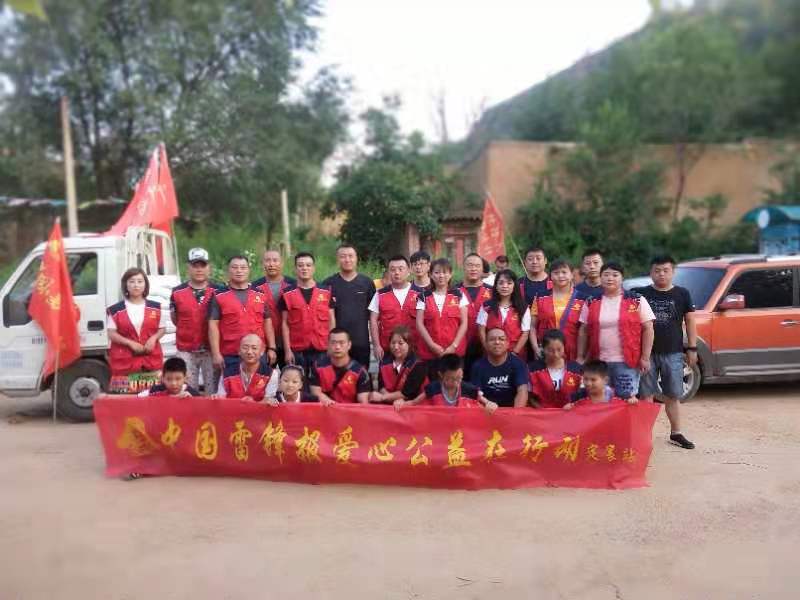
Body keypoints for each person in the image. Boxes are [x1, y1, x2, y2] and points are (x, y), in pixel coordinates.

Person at [634, 256, 697, 449]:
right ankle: (643, 436)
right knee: (645, 395)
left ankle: (676, 433)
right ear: (650, 272)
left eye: (665, 270)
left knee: (673, 394)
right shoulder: (640, 293)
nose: (661, 274)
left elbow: (690, 321)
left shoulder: (682, 294)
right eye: (657, 270)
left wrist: (692, 348)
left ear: (673, 272)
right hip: (646, 354)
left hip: (673, 352)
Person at [577, 262, 655, 400]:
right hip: (598, 362)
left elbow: (648, 328)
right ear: (600, 277)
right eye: (606, 275)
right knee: (600, 400)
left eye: (615, 275)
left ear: (622, 278)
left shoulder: (636, 300)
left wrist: (645, 357)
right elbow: (583, 330)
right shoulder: (591, 301)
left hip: (627, 362)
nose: (610, 278)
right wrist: (580, 356)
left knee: (626, 399)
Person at [208, 256, 277, 371]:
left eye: (243, 267)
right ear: (228, 270)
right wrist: (216, 353)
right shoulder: (219, 296)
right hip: (231, 354)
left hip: (258, 353)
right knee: (232, 382)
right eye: (235, 267)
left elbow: (267, 322)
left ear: (248, 270)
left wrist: (272, 348)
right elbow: (213, 325)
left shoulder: (260, 294)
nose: (239, 271)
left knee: (260, 382)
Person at [107, 268, 169, 393]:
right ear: (125, 285)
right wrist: (129, 343)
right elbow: (111, 333)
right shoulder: (115, 310)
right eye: (132, 281)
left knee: (152, 395)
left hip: (150, 359)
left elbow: (162, 329)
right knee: (126, 398)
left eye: (140, 281)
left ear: (145, 285)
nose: (136, 285)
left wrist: (153, 338)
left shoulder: (155, 307)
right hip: (124, 361)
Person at [170, 248, 222, 395]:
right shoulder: (177, 292)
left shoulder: (219, 291)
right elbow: (175, 318)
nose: (199, 269)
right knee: (187, 391)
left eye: (202, 265)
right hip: (186, 349)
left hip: (211, 349)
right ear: (188, 267)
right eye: (195, 265)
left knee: (213, 392)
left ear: (209, 267)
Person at [278, 252, 336, 375]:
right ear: (295, 269)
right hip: (297, 349)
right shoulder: (287, 294)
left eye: (308, 265)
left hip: (322, 348)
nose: (304, 268)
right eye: (300, 265)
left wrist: (332, 345)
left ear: (313, 268)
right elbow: (284, 324)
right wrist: (287, 350)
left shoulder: (326, 291)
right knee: (299, 382)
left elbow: (331, 320)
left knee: (321, 382)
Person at [322, 244, 376, 368]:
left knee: (361, 376)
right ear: (337, 259)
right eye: (343, 256)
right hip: (337, 344)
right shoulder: (328, 284)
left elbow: (373, 315)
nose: (347, 260)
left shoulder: (367, 283)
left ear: (357, 258)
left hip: (361, 342)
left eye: (351, 256)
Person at [415, 258, 469, 373]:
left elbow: (464, 323)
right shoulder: (423, 297)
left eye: (445, 272)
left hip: (454, 351)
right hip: (430, 352)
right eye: (437, 272)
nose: (441, 276)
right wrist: (431, 345)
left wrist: (453, 346)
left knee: (454, 380)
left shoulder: (459, 295)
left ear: (450, 274)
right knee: (433, 382)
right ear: (430, 274)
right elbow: (419, 323)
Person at [530, 260, 586, 361]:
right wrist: (535, 348)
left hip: (572, 353)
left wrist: (580, 356)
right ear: (550, 276)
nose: (560, 276)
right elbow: (532, 326)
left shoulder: (582, 299)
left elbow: (585, 330)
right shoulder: (540, 297)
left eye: (564, 272)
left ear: (571, 275)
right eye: (556, 273)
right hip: (547, 352)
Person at [369, 255, 421, 361]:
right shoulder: (380, 294)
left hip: (415, 349)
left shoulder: (420, 294)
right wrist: (376, 345)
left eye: (401, 269)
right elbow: (373, 320)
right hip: (388, 349)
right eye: (393, 269)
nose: (397, 272)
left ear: (409, 271)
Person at [251, 249, 296, 367]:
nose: (271, 264)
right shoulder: (255, 287)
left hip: (291, 342)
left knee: (291, 375)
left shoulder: (293, 285)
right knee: (264, 376)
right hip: (264, 342)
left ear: (282, 263)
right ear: (262, 263)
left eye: (275, 260)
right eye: (268, 260)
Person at [308, 328, 371, 405]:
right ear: (328, 344)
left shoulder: (360, 371)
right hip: (326, 408)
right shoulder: (318, 366)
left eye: (342, 343)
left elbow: (363, 402)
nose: (337, 347)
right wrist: (331, 404)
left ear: (349, 345)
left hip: (349, 411)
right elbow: (315, 393)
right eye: (333, 343)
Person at [477, 269, 531, 357]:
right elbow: (481, 330)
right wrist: (488, 349)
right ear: (496, 286)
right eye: (501, 283)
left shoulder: (523, 308)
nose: (505, 286)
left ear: (514, 286)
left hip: (515, 354)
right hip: (491, 354)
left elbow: (525, 333)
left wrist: (514, 353)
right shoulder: (486, 306)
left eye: (509, 283)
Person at [470, 327, 529, 408]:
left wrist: (515, 413)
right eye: (492, 339)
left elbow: (522, 391)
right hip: (487, 410)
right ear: (485, 344)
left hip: (511, 410)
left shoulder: (518, 364)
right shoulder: (478, 366)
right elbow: (476, 394)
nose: (497, 342)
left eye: (501, 339)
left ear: (508, 344)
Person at [371, 325, 428, 408]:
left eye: (400, 343)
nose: (396, 347)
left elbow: (407, 394)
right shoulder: (384, 362)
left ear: (409, 344)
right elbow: (381, 387)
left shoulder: (418, 365)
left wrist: (383, 397)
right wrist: (388, 399)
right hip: (389, 405)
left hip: (412, 406)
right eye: (393, 343)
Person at [421, 354, 497, 413]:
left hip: (462, 426)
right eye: (451, 379)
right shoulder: (432, 388)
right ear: (441, 375)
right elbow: (415, 404)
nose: (455, 382)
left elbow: (487, 403)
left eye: (459, 378)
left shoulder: (469, 390)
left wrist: (490, 404)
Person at [456, 253, 493, 374]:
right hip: (460, 346)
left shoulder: (493, 291)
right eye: (470, 265)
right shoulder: (453, 292)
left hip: (486, 346)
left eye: (477, 266)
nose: (473, 269)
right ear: (463, 267)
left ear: (483, 269)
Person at [528, 329, 583, 408]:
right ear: (543, 348)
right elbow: (529, 396)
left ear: (564, 347)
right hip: (543, 413)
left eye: (559, 349)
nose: (555, 354)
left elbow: (583, 396)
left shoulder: (576, 369)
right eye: (550, 350)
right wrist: (542, 410)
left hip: (570, 412)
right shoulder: (533, 369)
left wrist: (573, 405)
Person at [218, 333, 279, 402]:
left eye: (254, 348)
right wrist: (216, 397)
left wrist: (252, 404)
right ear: (239, 350)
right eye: (245, 347)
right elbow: (221, 399)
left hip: (259, 409)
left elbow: (269, 400)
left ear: (262, 351)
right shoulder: (226, 373)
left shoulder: (271, 373)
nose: (249, 352)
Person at [563, 360, 636, 409]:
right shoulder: (578, 397)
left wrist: (632, 400)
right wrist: (568, 407)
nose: (588, 383)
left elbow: (632, 403)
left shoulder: (618, 395)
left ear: (605, 380)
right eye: (585, 379)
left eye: (593, 380)